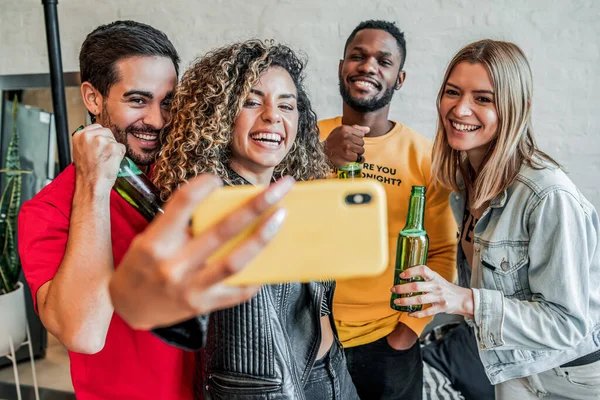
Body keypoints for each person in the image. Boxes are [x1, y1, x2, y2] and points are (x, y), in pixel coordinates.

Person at [18, 21, 276, 400]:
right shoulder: (49, 209)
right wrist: (93, 186)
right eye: (138, 101)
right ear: (93, 98)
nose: (156, 121)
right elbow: (82, 334)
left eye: (167, 102)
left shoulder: (186, 172)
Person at [146, 39, 360, 399]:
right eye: (252, 101)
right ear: (219, 114)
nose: (272, 115)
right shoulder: (207, 208)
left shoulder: (288, 193)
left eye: (286, 105)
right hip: (268, 391)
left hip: (334, 373)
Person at [392, 39, 600, 399]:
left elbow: (567, 323)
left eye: (483, 99)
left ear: (517, 108)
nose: (460, 109)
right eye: (452, 92)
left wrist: (462, 299)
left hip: (572, 376)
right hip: (511, 363)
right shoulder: (462, 185)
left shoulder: (548, 195)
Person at [319, 20, 457, 399]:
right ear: (341, 67)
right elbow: (273, 217)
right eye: (358, 57)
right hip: (309, 336)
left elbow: (443, 253)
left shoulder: (425, 156)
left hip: (387, 342)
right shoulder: (306, 139)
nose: (368, 67)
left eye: (384, 61)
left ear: (400, 78)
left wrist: (408, 331)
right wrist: (319, 158)